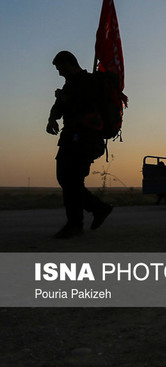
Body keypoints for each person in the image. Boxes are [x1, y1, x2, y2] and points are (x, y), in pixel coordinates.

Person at [46, 51, 112, 239]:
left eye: (60, 68)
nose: (59, 72)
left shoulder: (90, 82)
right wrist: (52, 118)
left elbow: (81, 104)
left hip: (85, 138)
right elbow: (59, 106)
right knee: (66, 178)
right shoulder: (69, 84)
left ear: (68, 63)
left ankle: (75, 224)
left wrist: (63, 98)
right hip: (71, 137)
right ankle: (98, 208)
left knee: (72, 179)